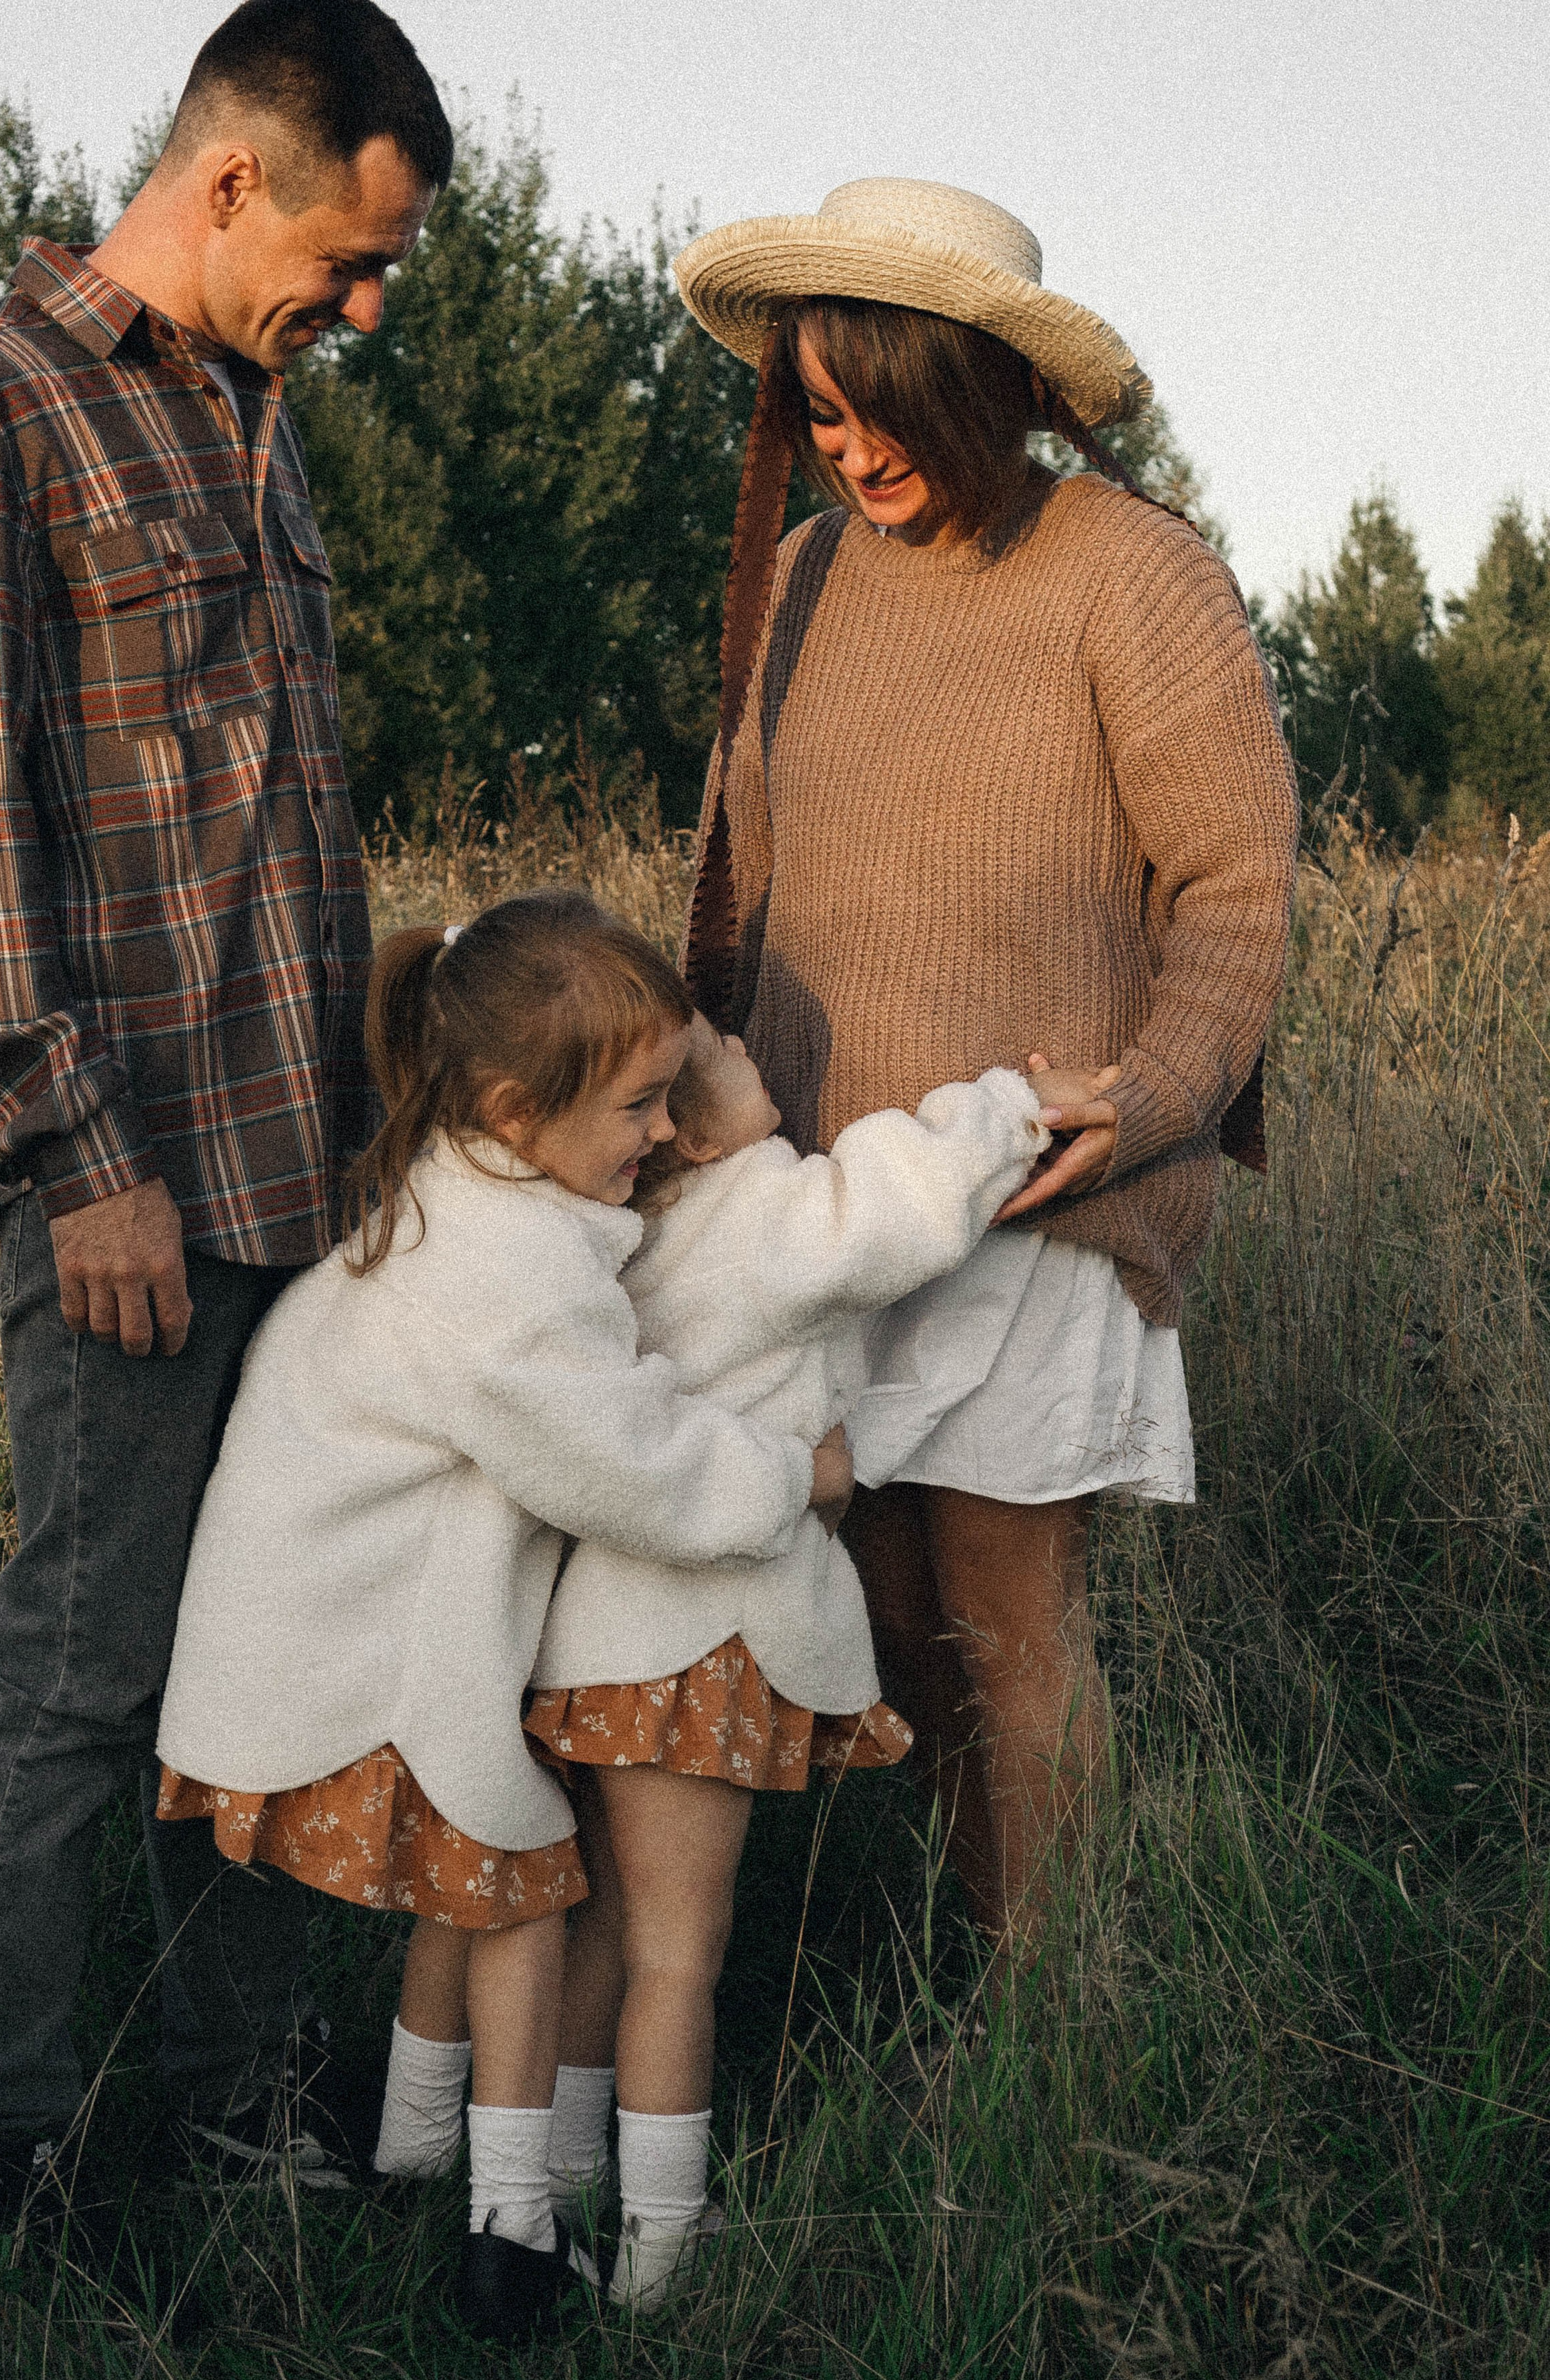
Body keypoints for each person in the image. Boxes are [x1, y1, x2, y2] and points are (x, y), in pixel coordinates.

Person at [0, 0, 453, 2246]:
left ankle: (240, 2118)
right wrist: (71, 1157)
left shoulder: (256, 425)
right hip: (122, 1193)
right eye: (352, 255)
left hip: (305, 1182)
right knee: (85, 1684)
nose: (367, 309)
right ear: (228, 182)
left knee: (276, 1666)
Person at [672, 180, 1299, 1986]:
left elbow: (1236, 884)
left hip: (1033, 1189)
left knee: (1008, 1618)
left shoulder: (1126, 568)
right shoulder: (794, 586)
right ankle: (987, 1954)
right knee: (877, 1611)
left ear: (987, 391)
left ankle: (1054, 2017)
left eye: (882, 405)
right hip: (820, 1213)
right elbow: (749, 879)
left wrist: (1162, 1086)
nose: (850, 447)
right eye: (819, 407)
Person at [152, 897, 856, 2339]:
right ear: (510, 1108)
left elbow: (612, 1261)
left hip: (316, 1625)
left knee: (471, 1886)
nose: (660, 1135)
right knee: (528, 1890)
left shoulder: (465, 1184)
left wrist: (717, 1117)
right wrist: (797, 1474)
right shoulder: (508, 1281)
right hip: (355, 1655)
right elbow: (636, 1469)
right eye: (637, 1106)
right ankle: (508, 2231)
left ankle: (413, 2153)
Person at [522, 1017, 1078, 2306]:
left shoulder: (603, 1231)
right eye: (707, 1047)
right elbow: (897, 1206)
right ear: (690, 1131)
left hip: (591, 1639)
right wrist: (1011, 1103)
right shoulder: (755, 1209)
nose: (738, 1031)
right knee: (678, 1953)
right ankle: (660, 2243)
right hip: (700, 1647)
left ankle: (556, 2195)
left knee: (602, 1923)